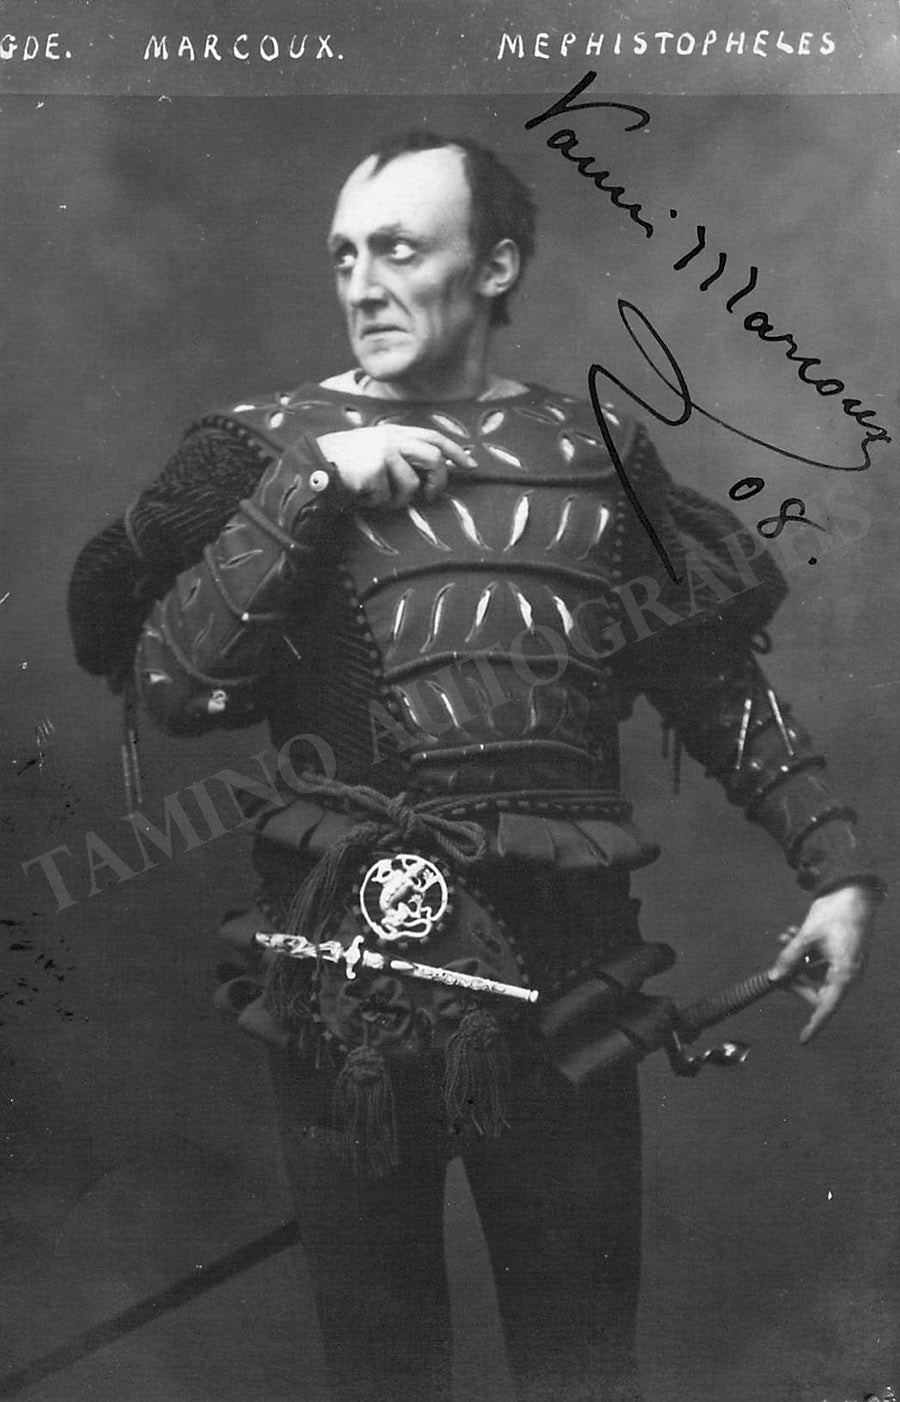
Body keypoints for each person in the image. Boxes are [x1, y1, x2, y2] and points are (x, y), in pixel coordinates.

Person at [67, 132, 882, 1402]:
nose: (363, 284)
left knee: (581, 1362)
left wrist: (836, 871)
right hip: (343, 980)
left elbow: (711, 681)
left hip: (570, 974)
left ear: (496, 266)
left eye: (399, 249)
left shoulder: (601, 454)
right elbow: (173, 685)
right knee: (383, 1373)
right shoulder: (258, 448)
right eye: (346, 255)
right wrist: (309, 487)